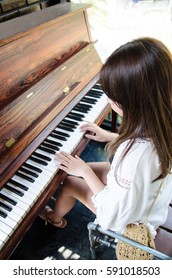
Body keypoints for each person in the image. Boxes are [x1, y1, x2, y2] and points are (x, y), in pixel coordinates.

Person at [40, 37, 172, 238]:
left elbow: (113, 216)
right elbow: (146, 145)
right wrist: (110, 135)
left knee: (70, 182)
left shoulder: (135, 158)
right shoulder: (163, 118)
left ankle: (54, 219)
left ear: (135, 102)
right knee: (77, 170)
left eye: (113, 97)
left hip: (133, 222)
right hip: (148, 191)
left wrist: (84, 170)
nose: (108, 100)